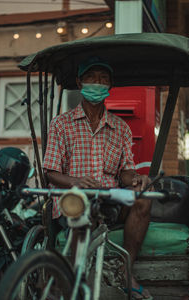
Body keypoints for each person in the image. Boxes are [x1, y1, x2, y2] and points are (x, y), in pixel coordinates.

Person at [43, 56, 153, 300]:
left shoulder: (120, 127)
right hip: (74, 200)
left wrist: (136, 178)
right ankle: (74, 280)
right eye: (91, 78)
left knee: (143, 199)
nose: (97, 83)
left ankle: (126, 269)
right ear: (80, 82)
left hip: (109, 200)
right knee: (82, 212)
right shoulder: (61, 124)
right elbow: (50, 171)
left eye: (103, 79)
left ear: (110, 86)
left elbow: (124, 171)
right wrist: (76, 181)